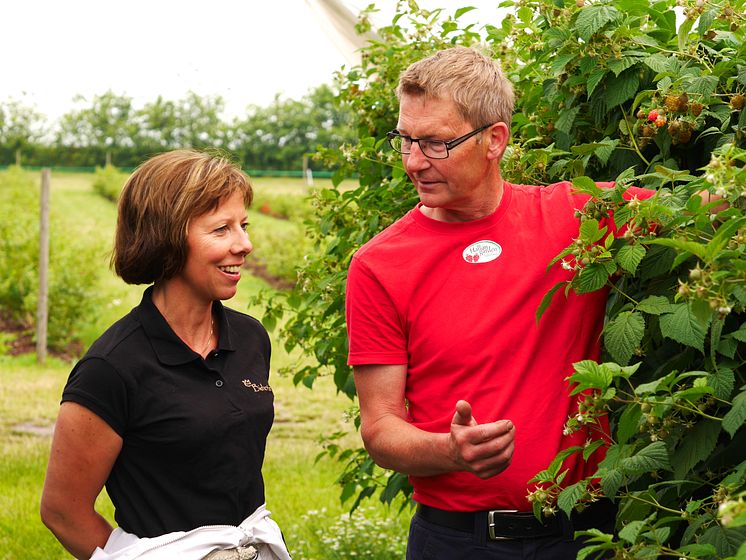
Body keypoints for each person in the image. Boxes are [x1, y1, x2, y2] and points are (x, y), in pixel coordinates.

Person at [345, 46, 655, 559]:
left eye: (436, 143)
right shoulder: (380, 265)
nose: (414, 162)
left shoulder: (577, 215)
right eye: (405, 141)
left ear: (494, 140)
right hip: (461, 542)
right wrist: (450, 449)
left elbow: (707, 206)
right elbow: (380, 429)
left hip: (588, 538)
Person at [41, 150, 290, 560]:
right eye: (221, 230)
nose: (244, 244)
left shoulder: (249, 337)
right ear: (168, 237)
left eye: (243, 226)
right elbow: (62, 511)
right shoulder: (112, 368)